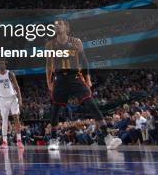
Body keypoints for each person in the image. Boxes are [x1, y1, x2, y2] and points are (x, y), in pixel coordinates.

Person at [46, 20, 121, 150]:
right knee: (55, 110)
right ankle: (53, 139)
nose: (56, 26)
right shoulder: (50, 44)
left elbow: (84, 61)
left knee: (91, 104)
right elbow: (48, 65)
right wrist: (49, 82)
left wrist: (88, 79)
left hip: (75, 77)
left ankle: (108, 137)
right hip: (59, 79)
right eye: (55, 25)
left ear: (66, 27)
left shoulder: (77, 42)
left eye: (60, 24)